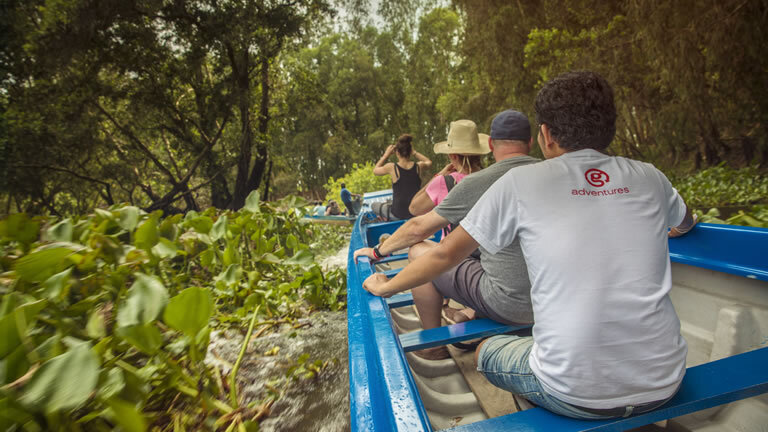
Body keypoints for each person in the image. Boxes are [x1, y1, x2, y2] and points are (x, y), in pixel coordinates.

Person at [363, 71, 697, 419]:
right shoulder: (650, 176)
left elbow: (445, 253)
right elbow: (684, 222)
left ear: (546, 135)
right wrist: (667, 229)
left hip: (575, 393)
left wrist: (388, 285)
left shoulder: (521, 182)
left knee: (486, 352)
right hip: (666, 382)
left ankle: (533, 402)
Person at [355, 109, 539, 359]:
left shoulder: (476, 182)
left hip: (510, 304)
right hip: (551, 298)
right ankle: (470, 314)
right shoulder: (552, 174)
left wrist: (379, 258)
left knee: (419, 252)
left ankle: (434, 346)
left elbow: (419, 227)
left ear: (492, 145)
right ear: (532, 141)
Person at [408, 120, 488, 234]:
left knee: (417, 244)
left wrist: (438, 176)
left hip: (454, 245)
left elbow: (414, 208)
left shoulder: (444, 182)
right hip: (486, 244)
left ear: (453, 156)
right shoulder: (491, 177)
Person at [370, 134, 432, 221]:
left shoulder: (391, 167)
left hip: (397, 214)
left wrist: (386, 155)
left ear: (397, 153)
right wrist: (414, 152)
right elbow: (429, 162)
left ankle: (386, 218)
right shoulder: (418, 166)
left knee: (373, 205)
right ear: (410, 152)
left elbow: (375, 171)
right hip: (415, 212)